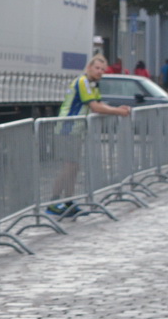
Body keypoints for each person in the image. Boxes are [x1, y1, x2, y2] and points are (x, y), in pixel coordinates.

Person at [48, 54, 131, 217]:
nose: (100, 72)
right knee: (69, 166)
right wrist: (118, 112)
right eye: (97, 68)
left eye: (103, 69)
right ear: (89, 68)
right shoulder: (83, 82)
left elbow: (99, 103)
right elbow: (95, 107)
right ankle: (53, 201)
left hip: (77, 130)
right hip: (67, 128)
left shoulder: (93, 84)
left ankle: (68, 201)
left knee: (74, 166)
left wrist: (116, 108)